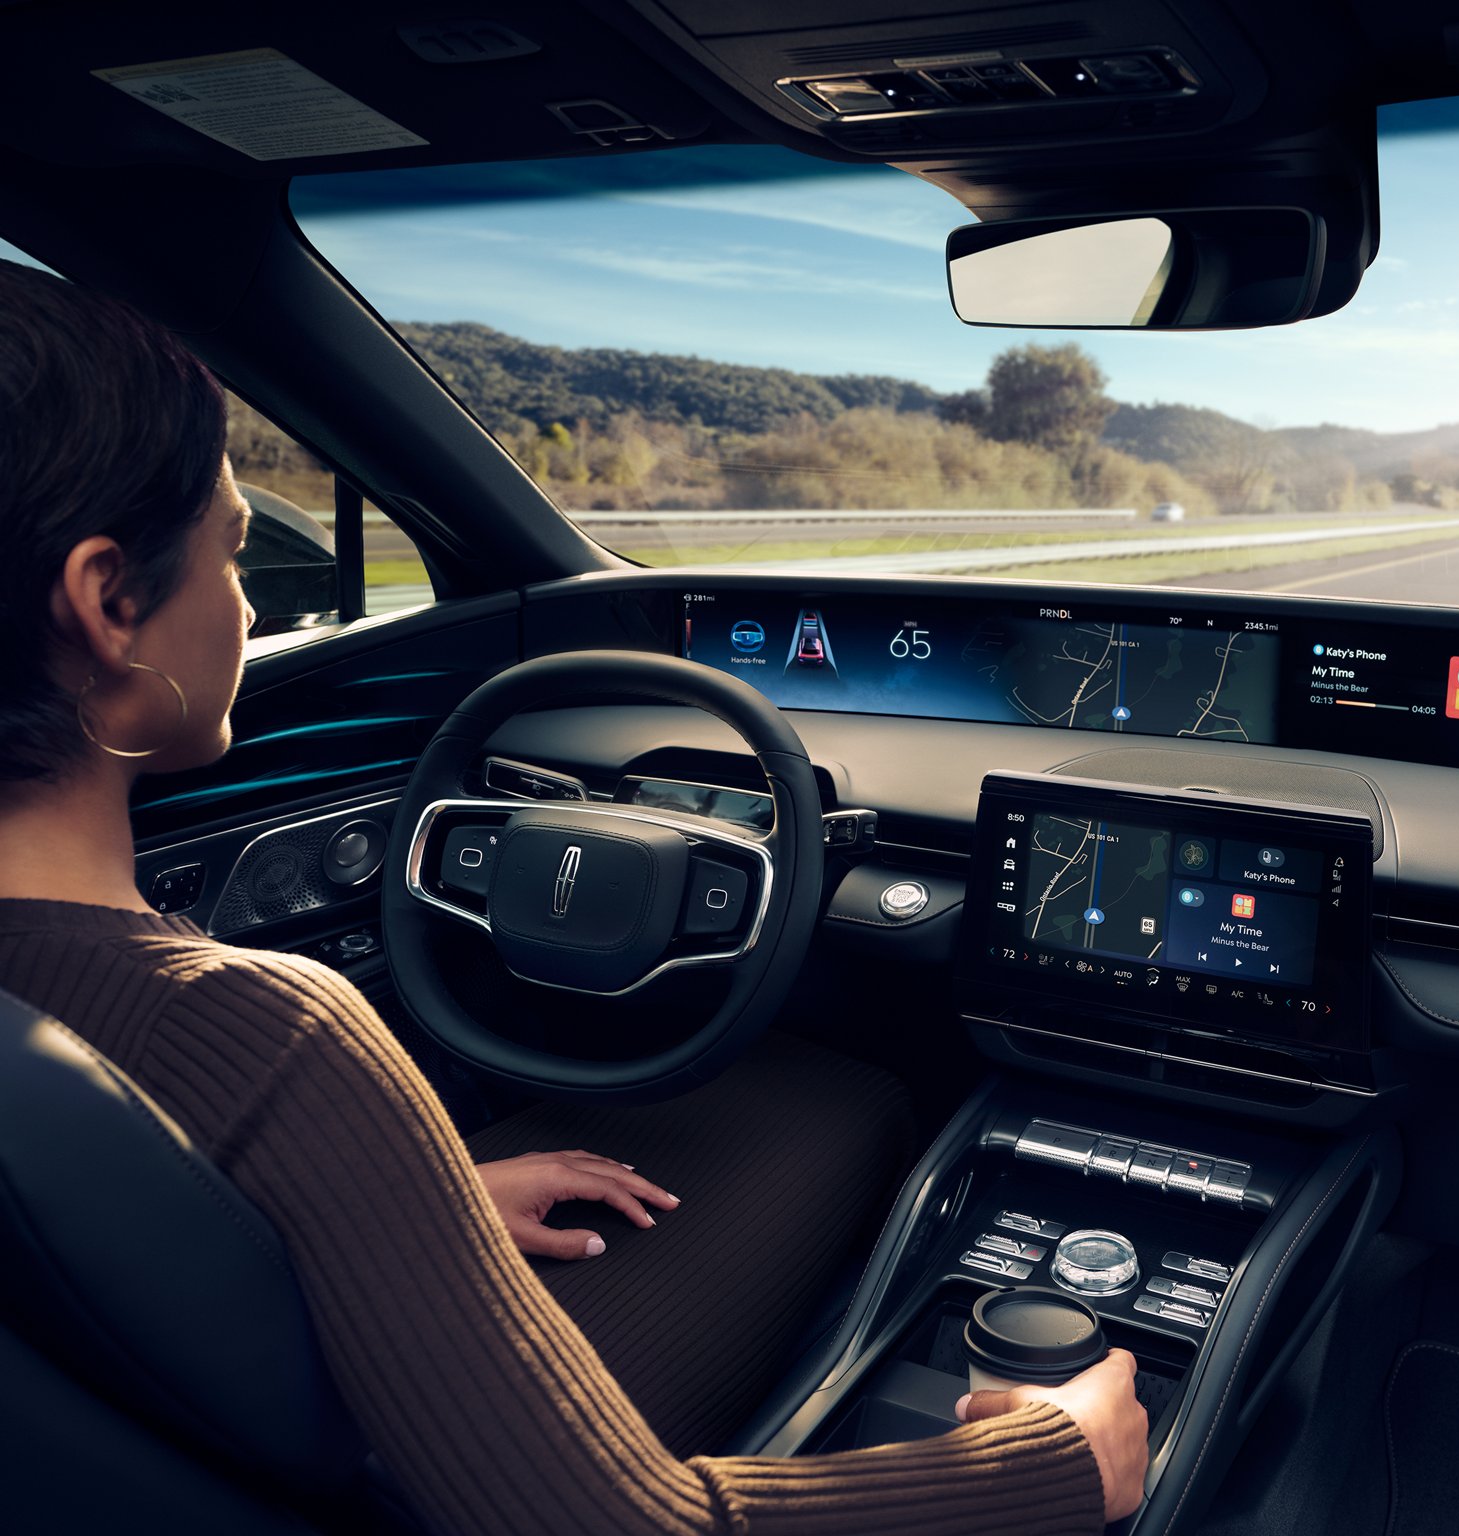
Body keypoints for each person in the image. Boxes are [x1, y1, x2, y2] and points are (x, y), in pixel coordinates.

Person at [0, 258, 1148, 1534]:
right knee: (845, 1093)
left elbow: (85, 1249)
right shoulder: (261, 1033)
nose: (252, 598)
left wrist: (388, 1207)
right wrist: (1054, 1465)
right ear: (109, 601)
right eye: (230, 550)